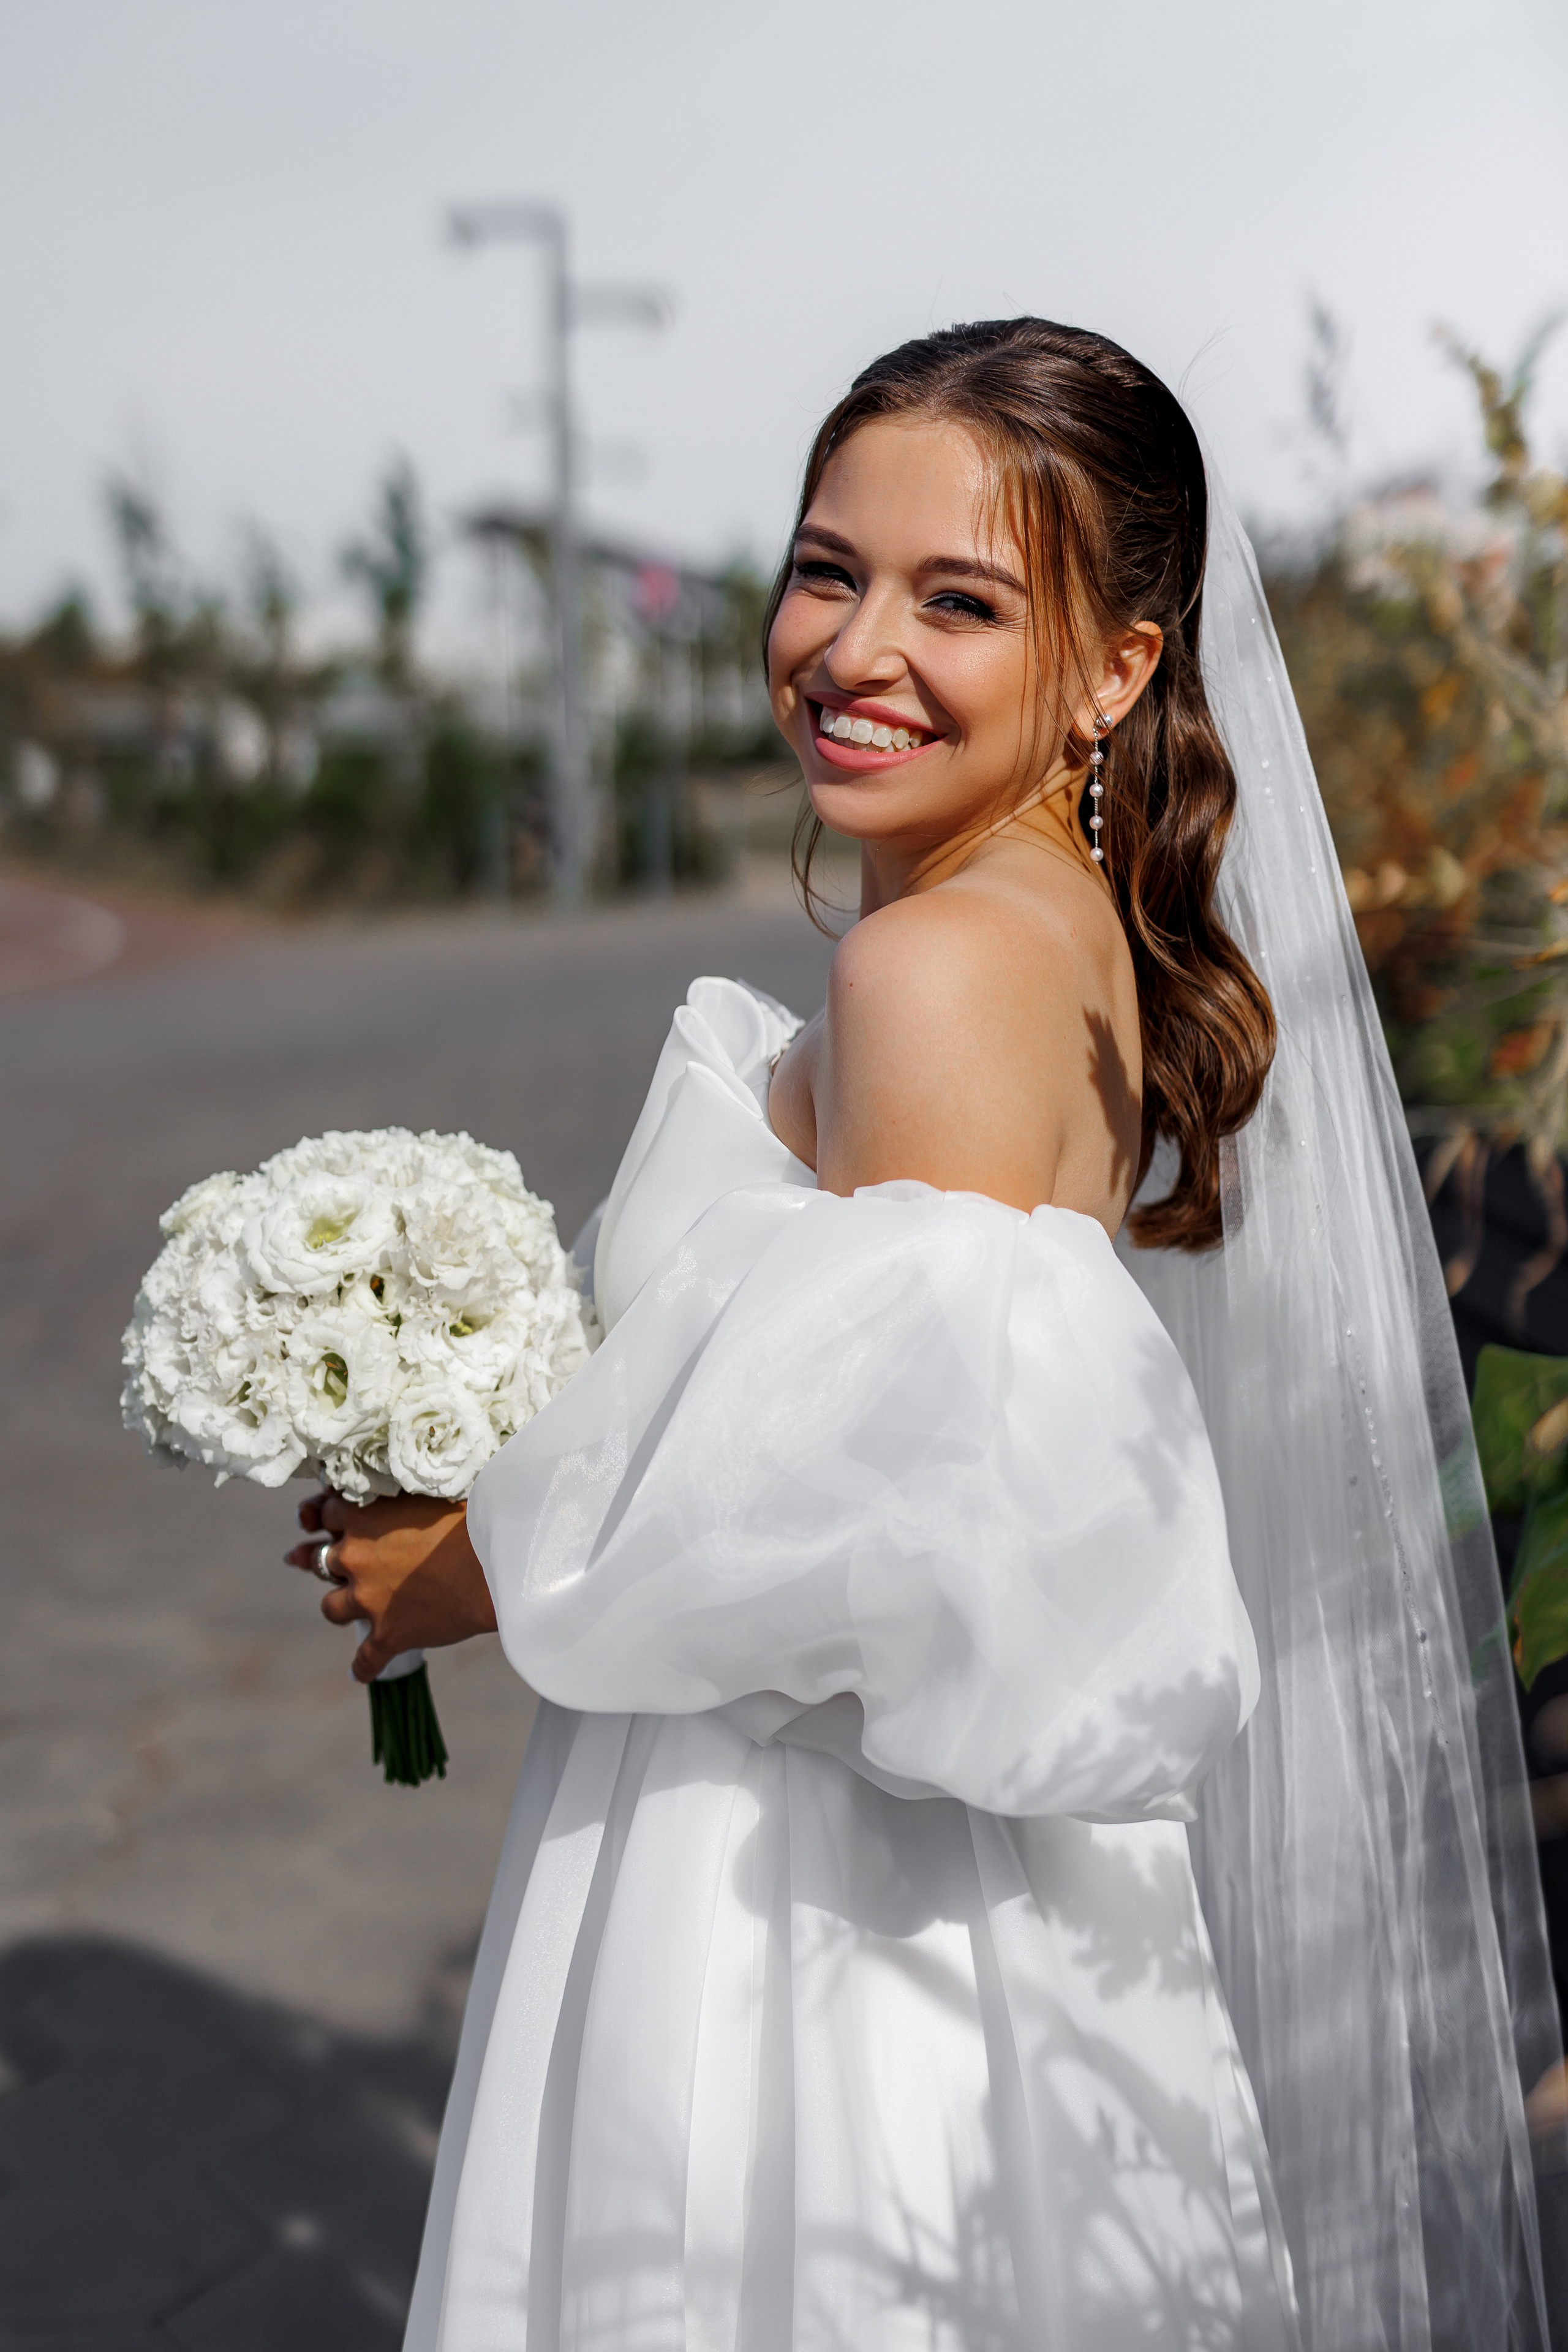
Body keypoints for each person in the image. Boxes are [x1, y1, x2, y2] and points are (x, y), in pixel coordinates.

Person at [289, 321, 1559, 2351]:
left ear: (1119, 668)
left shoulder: (938, 965)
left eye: (958, 601)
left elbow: (911, 1513)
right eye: (826, 569)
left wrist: (487, 1570)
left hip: (822, 1905)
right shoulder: (1050, 914)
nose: (855, 646)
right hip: (938, 1875)